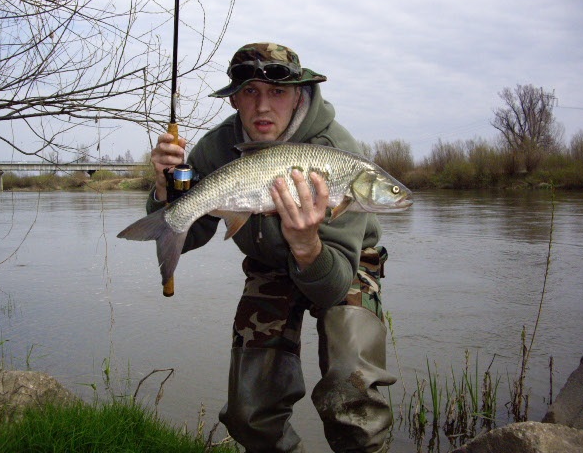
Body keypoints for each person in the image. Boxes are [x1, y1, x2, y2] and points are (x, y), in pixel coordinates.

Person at [147, 42, 396, 453]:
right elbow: (190, 233)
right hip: (268, 263)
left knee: (353, 399)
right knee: (249, 412)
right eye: (250, 92)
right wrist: (164, 192)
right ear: (234, 99)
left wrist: (307, 245)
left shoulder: (339, 153)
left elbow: (331, 288)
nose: (262, 106)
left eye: (277, 91)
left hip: (344, 262)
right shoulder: (216, 148)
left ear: (299, 94)